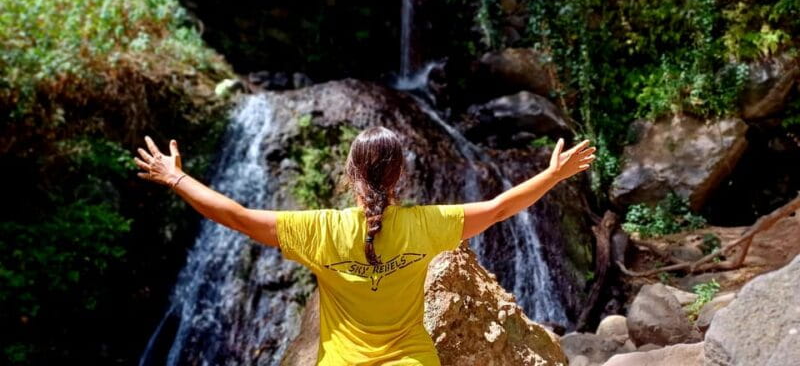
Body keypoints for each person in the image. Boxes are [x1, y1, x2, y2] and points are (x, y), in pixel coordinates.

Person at [134, 127, 595, 365]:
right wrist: (553, 174)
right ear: (399, 177)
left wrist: (177, 177)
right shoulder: (427, 224)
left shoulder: (319, 229)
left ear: (350, 174)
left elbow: (234, 215)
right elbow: (498, 208)